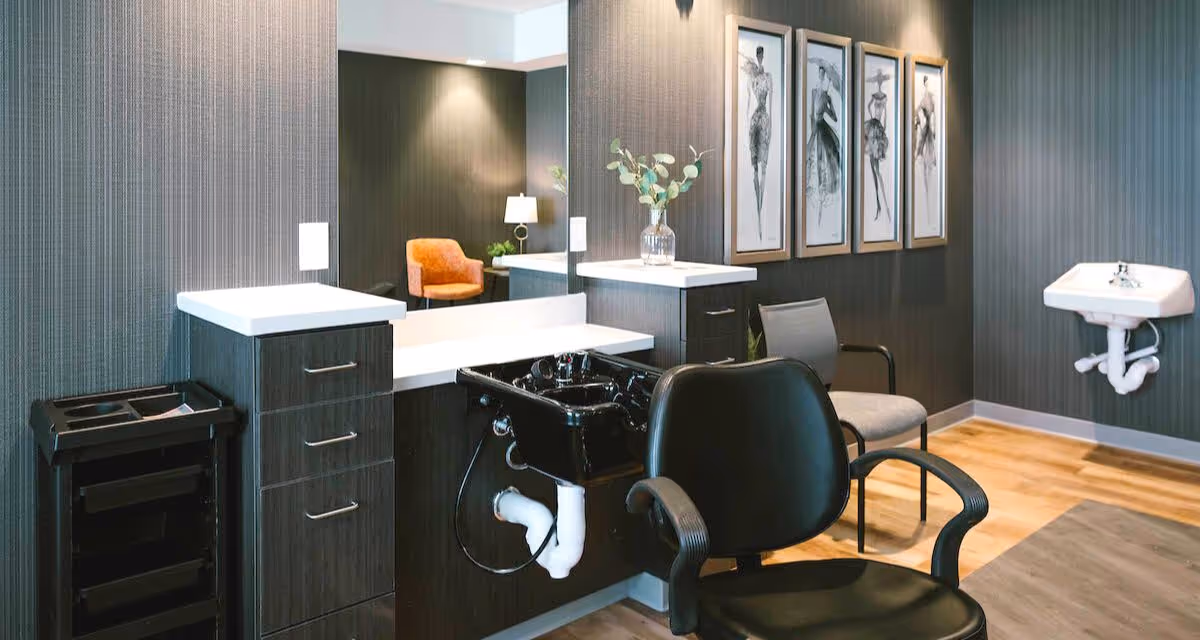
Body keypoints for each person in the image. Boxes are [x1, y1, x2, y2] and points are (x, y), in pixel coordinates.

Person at [741, 46, 773, 240]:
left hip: (764, 119)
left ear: (763, 56)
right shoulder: (752, 78)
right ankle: (758, 214)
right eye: (758, 55)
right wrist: (746, 129)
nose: (759, 58)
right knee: (755, 166)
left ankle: (761, 214)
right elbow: (746, 105)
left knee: (764, 167)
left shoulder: (768, 76)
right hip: (755, 120)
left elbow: (771, 102)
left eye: (761, 55)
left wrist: (771, 127)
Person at [806, 64, 841, 225]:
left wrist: (831, 103)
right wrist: (812, 131)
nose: (821, 77)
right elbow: (811, 115)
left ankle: (822, 202)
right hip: (816, 129)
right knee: (814, 161)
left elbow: (835, 118)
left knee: (826, 161)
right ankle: (816, 205)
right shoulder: (814, 92)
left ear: (825, 77)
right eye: (819, 74)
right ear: (818, 76)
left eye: (823, 75)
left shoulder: (827, 96)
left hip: (824, 129)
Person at [863, 69, 892, 223]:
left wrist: (882, 128)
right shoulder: (875, 96)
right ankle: (879, 203)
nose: (880, 82)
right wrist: (872, 118)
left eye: (881, 80)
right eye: (878, 80)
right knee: (873, 168)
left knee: (876, 169)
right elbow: (869, 107)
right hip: (874, 126)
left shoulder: (883, 98)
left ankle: (881, 204)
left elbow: (885, 116)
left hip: (877, 129)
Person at [914, 74, 938, 225]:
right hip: (926, 131)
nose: (928, 84)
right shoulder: (924, 98)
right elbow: (917, 110)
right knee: (922, 156)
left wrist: (933, 127)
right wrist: (918, 121)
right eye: (926, 82)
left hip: (929, 132)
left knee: (929, 163)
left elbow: (934, 114)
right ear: (924, 84)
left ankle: (930, 214)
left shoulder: (932, 97)